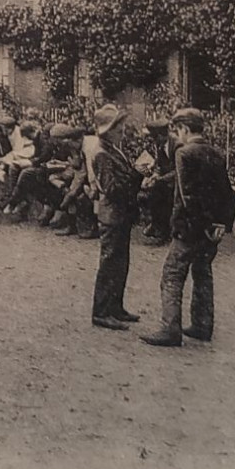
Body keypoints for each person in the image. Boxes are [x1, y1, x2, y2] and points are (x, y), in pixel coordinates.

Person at [140, 107, 235, 348]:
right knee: (203, 273)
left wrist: (201, 225)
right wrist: (221, 224)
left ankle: (170, 329)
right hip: (210, 230)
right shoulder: (215, 153)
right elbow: (230, 194)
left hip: (190, 228)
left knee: (172, 275)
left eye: (177, 131)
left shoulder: (184, 154)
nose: (176, 136)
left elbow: (189, 197)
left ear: (184, 129)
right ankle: (202, 325)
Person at [90, 104, 143, 330]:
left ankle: (116, 307)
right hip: (112, 215)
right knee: (109, 263)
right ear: (107, 130)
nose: (122, 130)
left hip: (121, 214)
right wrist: (136, 177)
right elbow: (111, 188)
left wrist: (138, 175)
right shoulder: (102, 153)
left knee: (121, 263)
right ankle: (101, 312)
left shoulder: (113, 148)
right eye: (117, 126)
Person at [137, 119, 175, 245]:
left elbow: (179, 171)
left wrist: (160, 179)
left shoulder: (176, 145)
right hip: (167, 181)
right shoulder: (160, 145)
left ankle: (164, 230)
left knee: (163, 196)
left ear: (160, 135)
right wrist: (154, 176)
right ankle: (158, 227)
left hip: (180, 181)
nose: (153, 141)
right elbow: (160, 165)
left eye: (154, 137)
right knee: (152, 193)